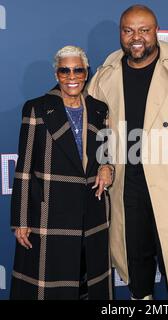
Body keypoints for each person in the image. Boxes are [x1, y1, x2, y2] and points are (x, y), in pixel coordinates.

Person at [88, 5, 168, 300]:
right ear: (120, 33)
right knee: (137, 264)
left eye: (144, 30)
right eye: (128, 30)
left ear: (156, 31)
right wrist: (104, 163)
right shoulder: (106, 75)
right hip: (127, 185)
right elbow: (97, 129)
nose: (136, 37)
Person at [10, 45, 113, 300]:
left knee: (89, 285)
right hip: (50, 214)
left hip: (92, 211)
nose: (72, 76)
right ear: (56, 74)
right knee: (52, 287)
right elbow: (24, 169)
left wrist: (108, 167)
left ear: (86, 72)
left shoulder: (100, 109)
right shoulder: (37, 109)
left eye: (78, 69)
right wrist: (21, 219)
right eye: (64, 70)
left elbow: (106, 153)